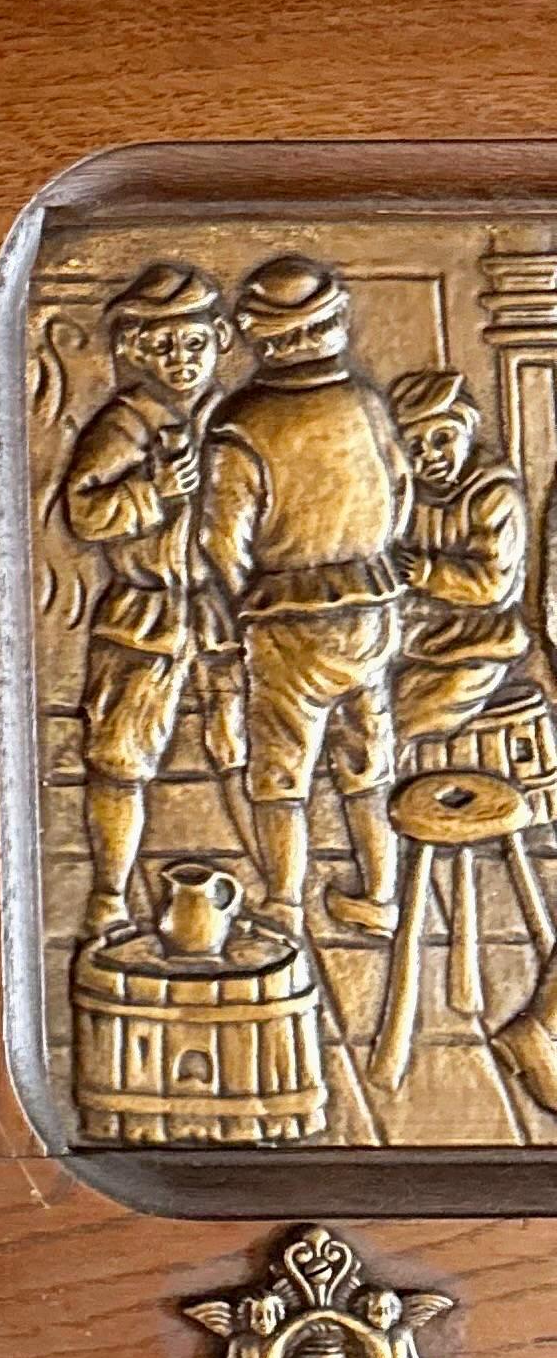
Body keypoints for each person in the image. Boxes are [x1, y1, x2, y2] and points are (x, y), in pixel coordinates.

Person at [199, 256, 411, 938]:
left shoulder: (242, 421)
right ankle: (380, 894)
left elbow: (220, 541)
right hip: (371, 610)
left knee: (281, 768)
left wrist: (238, 605)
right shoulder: (366, 403)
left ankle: (285, 904)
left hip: (287, 621)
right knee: (366, 755)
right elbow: (400, 490)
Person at [56, 262, 238, 939]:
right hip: (145, 609)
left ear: (220, 337)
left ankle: (275, 894)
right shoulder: (126, 424)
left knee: (244, 748)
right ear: (135, 350)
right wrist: (151, 495)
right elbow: (85, 513)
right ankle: (109, 894)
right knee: (121, 757)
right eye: (162, 346)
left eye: (193, 344)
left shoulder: (235, 417)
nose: (180, 360)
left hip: (223, 610)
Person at [386, 367, 530, 746]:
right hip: (419, 641)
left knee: (401, 724)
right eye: (415, 447)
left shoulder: (492, 497)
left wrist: (430, 574)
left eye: (442, 438)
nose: (430, 455)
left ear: (467, 432)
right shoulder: (407, 498)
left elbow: (495, 585)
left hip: (476, 647)